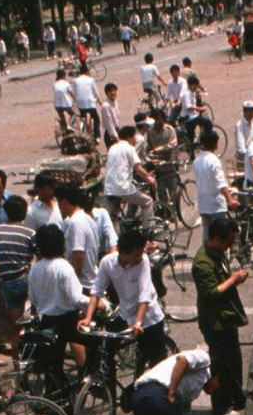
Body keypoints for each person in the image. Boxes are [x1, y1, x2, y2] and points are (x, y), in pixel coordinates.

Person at [84, 223, 169, 371]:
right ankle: (107, 388)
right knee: (105, 352)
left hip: (149, 319)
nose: (140, 257)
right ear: (123, 252)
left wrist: (138, 322)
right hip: (125, 314)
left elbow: (144, 295)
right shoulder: (107, 263)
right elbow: (96, 290)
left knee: (158, 366)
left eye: (141, 252)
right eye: (136, 254)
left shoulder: (143, 261)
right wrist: (88, 318)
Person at [192, 214, 248, 415]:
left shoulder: (217, 253)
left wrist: (234, 279)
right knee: (221, 365)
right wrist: (233, 279)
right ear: (217, 238)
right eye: (229, 242)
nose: (229, 246)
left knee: (233, 361)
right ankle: (221, 405)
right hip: (214, 322)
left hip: (225, 317)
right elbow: (210, 293)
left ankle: (237, 397)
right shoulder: (203, 263)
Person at [27, 220, 86, 367]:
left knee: (53, 364)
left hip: (47, 320)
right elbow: (75, 298)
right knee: (86, 344)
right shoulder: (64, 267)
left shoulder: (36, 268)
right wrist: (96, 302)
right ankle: (85, 377)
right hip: (67, 320)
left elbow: (33, 298)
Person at [0, 193, 34, 352]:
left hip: (6, 283)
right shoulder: (29, 233)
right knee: (33, 322)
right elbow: (32, 256)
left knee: (14, 329)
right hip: (25, 280)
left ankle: (18, 365)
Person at [103, 124, 156, 223]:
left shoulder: (112, 148)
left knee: (114, 214)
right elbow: (138, 168)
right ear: (128, 137)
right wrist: (149, 178)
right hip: (122, 187)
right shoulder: (129, 148)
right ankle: (148, 229)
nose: (136, 139)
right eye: (134, 136)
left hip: (109, 188)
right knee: (148, 201)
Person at [72, 64, 100, 140]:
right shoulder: (91, 80)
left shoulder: (75, 81)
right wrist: (99, 100)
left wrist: (75, 101)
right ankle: (97, 137)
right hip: (90, 102)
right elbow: (96, 93)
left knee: (82, 116)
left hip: (80, 103)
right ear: (87, 71)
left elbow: (74, 93)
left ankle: (83, 129)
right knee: (96, 119)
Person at [98, 82, 122, 148]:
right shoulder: (106, 106)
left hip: (117, 130)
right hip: (110, 135)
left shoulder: (115, 101)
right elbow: (109, 124)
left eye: (114, 90)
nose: (113, 93)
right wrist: (116, 138)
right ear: (107, 93)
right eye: (110, 91)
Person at [52, 68, 75, 136]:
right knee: (73, 115)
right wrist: (75, 99)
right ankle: (69, 126)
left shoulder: (55, 84)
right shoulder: (66, 83)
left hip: (57, 105)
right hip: (66, 104)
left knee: (62, 118)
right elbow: (71, 93)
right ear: (64, 76)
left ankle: (64, 132)